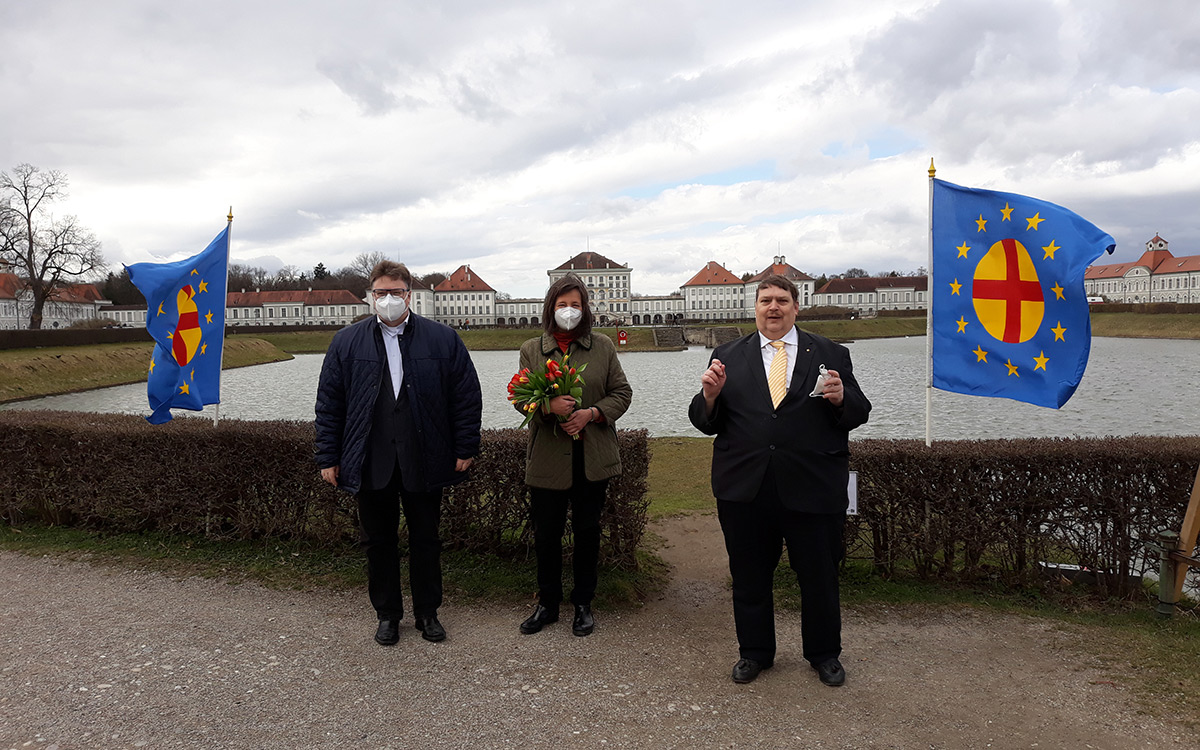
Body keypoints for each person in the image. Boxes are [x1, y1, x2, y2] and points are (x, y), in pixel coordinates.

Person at [688, 274, 870, 687]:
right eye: (766, 300)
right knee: (749, 576)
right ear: (755, 307)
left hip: (813, 485)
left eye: (782, 300)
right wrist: (710, 396)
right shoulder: (727, 355)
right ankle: (754, 652)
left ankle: (824, 654)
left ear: (795, 306)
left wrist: (841, 398)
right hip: (745, 487)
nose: (774, 307)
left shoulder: (831, 353)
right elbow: (704, 421)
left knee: (819, 576)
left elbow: (860, 411)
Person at [315, 260, 482, 647]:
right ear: (371, 296)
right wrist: (328, 456)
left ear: (409, 295)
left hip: (424, 456)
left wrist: (465, 446)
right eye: (381, 293)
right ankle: (388, 615)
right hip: (371, 459)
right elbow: (330, 404)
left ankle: (428, 613)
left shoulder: (443, 339)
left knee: (426, 539)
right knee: (378, 542)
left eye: (396, 292)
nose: (388, 299)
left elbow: (465, 397)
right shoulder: (346, 342)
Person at [516, 275, 633, 637]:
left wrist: (592, 414)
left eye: (576, 305)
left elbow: (622, 393)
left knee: (587, 532)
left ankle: (583, 603)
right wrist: (547, 406)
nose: (569, 310)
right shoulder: (532, 349)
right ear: (551, 307)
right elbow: (520, 398)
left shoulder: (602, 346)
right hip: (548, 459)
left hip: (591, 457)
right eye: (562, 304)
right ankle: (547, 603)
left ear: (585, 309)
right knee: (546, 534)